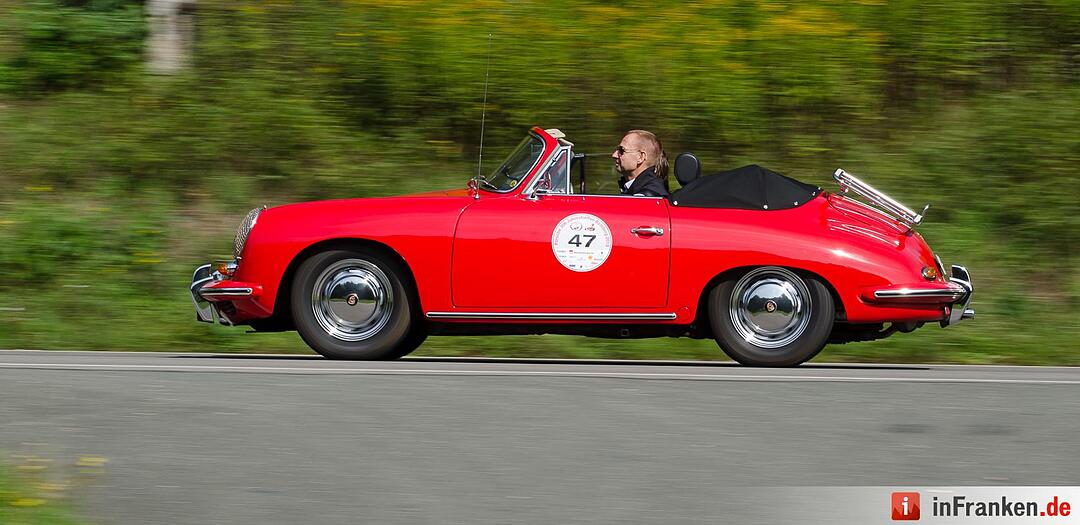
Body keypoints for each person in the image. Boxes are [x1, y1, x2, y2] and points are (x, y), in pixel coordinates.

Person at [612, 129, 669, 197]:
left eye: (622, 151)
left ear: (641, 157)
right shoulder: (636, 189)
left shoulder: (647, 196)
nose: (614, 155)